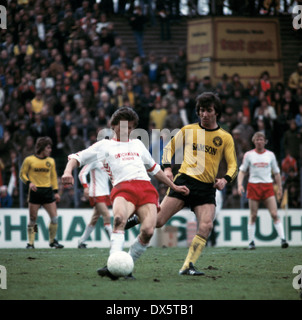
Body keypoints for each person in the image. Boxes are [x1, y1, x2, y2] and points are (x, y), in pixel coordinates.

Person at [61, 107, 189, 279]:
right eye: (122, 126)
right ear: (113, 126)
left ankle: (123, 265)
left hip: (145, 189)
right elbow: (76, 158)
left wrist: (173, 187)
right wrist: (68, 172)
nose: (126, 130)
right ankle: (115, 264)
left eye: (130, 127)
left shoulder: (137, 144)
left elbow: (154, 169)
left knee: (148, 231)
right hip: (123, 189)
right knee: (119, 220)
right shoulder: (104, 145)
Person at [158, 92, 238, 276]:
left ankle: (188, 265)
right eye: (201, 110)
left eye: (209, 110)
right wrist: (168, 169)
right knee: (157, 221)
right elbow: (169, 148)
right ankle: (136, 217)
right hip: (184, 181)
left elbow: (233, 165)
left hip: (206, 188)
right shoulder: (188, 130)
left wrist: (225, 179)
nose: (204, 114)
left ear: (216, 112)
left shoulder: (225, 137)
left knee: (206, 225)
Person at [237, 131, 289, 250]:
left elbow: (276, 172)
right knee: (253, 215)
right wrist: (240, 184)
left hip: (267, 186)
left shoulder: (270, 155)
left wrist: (280, 188)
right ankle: (251, 242)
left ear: (265, 141)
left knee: (274, 214)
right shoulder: (249, 155)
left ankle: (283, 239)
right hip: (253, 186)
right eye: (257, 140)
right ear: (254, 142)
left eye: (261, 139)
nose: (259, 142)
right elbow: (242, 171)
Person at [19, 136, 64, 249]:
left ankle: (52, 241)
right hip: (35, 192)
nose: (50, 150)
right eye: (48, 148)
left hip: (47, 192)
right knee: (33, 219)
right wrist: (29, 182)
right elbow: (22, 174)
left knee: (54, 218)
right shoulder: (29, 160)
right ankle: (31, 242)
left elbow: (53, 177)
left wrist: (56, 191)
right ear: (42, 148)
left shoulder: (51, 161)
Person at [77, 161, 113, 248]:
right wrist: (86, 187)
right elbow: (81, 174)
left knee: (94, 218)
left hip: (105, 193)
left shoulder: (108, 160)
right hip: (96, 193)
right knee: (107, 216)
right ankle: (114, 242)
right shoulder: (93, 159)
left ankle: (81, 241)